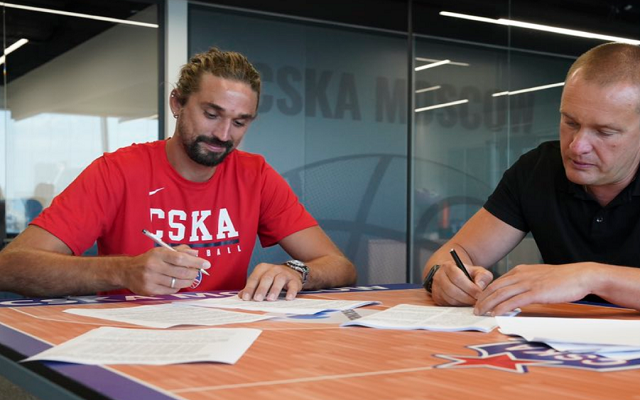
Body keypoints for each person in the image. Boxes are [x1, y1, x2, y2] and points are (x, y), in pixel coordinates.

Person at [0, 47, 356, 300]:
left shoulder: (256, 175)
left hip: (229, 339)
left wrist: (298, 271)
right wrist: (122, 271)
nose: (223, 135)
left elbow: (340, 266)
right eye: (211, 114)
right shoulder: (118, 171)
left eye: (239, 122)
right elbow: (10, 267)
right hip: (130, 342)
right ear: (177, 103)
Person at [422, 42, 640, 316]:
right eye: (570, 122)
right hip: (556, 336)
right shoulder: (538, 169)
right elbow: (455, 252)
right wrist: (443, 277)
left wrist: (589, 277)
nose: (577, 146)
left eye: (604, 132)